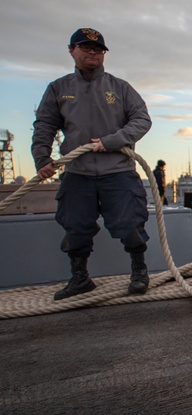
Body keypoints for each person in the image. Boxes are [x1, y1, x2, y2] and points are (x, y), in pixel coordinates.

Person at [31, 27, 153, 300]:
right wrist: (42, 158)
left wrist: (112, 141)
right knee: (75, 226)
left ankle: (139, 272)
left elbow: (142, 120)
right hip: (77, 172)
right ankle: (80, 278)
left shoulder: (120, 88)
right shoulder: (58, 89)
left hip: (118, 171)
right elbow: (44, 125)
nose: (92, 53)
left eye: (98, 49)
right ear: (72, 51)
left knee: (131, 224)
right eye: (85, 47)